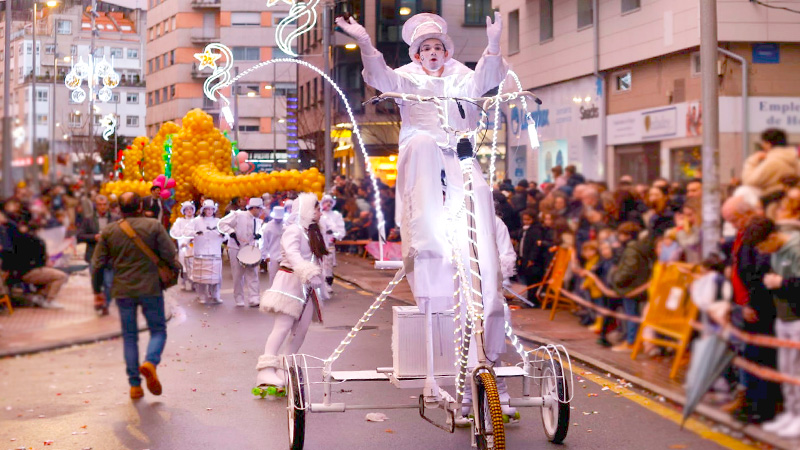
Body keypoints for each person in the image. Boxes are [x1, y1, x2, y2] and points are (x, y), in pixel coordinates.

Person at [338, 10, 512, 415]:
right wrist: (365, 43)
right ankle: (428, 242)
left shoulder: (462, 77)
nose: (432, 53)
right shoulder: (407, 79)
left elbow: (486, 80)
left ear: (446, 51)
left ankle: (487, 373)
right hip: (423, 162)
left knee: (479, 195)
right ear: (416, 55)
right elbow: (381, 79)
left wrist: (493, 44)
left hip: (460, 159)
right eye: (425, 48)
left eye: (438, 47)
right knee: (423, 146)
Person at [91, 192, 180, 400]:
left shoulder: (109, 230)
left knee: (130, 336)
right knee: (158, 330)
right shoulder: (153, 226)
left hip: (123, 290)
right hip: (151, 288)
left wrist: (97, 291)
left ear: (119, 209)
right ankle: (150, 362)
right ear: (140, 206)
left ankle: (134, 385)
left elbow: (97, 265)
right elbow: (170, 254)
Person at [255, 193, 327, 391]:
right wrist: (307, 271)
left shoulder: (312, 232)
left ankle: (284, 368)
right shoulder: (293, 230)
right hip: (289, 284)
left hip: (307, 288)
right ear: (307, 210)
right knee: (283, 327)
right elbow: (292, 253)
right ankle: (266, 370)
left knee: (300, 331)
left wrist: (314, 275)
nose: (320, 213)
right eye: (317, 209)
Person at [720, 194, 781, 424]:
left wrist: (750, 304)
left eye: (735, 220)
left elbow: (757, 273)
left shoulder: (759, 232)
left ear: (748, 213)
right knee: (747, 354)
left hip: (758, 307)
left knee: (759, 357)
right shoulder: (745, 233)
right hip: (744, 303)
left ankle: (761, 408)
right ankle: (749, 402)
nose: (734, 225)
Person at [742, 216, 800, 437]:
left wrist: (781, 283)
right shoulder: (776, 251)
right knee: (786, 370)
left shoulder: (795, 249)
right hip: (783, 317)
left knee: (796, 371)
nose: (761, 252)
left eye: (761, 246)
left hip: (796, 318)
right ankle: (792, 413)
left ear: (773, 237)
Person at [610, 221, 655, 353]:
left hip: (630, 286)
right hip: (638, 284)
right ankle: (634, 340)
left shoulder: (631, 250)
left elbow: (629, 269)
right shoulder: (640, 247)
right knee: (634, 313)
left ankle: (631, 341)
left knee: (631, 314)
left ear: (628, 235)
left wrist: (617, 278)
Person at [2, 220, 67, 309]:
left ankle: (39, 297)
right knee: (61, 276)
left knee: (50, 275)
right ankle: (49, 301)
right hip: (28, 271)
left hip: (17, 272)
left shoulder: (11, 241)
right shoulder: (34, 240)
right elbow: (42, 260)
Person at [218, 197, 264, 307]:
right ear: (254, 208)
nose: (261, 211)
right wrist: (231, 232)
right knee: (238, 274)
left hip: (250, 249)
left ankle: (254, 298)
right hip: (236, 248)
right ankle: (239, 298)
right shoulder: (238, 215)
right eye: (259, 209)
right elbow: (222, 224)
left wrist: (258, 235)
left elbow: (258, 232)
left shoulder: (257, 220)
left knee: (252, 273)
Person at [77, 194, 118, 314]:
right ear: (96, 206)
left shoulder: (115, 218)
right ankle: (99, 301)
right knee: (97, 282)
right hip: (94, 256)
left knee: (109, 283)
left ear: (108, 205)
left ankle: (106, 304)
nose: (102, 207)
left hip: (110, 256)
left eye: (104, 204)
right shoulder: (88, 219)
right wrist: (94, 237)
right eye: (100, 205)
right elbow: (80, 235)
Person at [743, 128, 800, 198]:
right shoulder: (795, 159)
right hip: (791, 199)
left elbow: (749, 181)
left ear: (768, 144)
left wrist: (752, 161)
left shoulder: (772, 162)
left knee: (744, 191)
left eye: (763, 143)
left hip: (772, 199)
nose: (762, 146)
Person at [192, 200, 225, 304]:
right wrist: (196, 233)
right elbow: (186, 231)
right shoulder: (196, 221)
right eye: (207, 209)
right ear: (203, 210)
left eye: (211, 209)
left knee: (216, 277)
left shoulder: (218, 221)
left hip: (215, 251)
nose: (209, 211)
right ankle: (201, 295)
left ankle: (216, 295)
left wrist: (223, 235)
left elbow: (226, 234)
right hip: (201, 251)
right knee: (201, 278)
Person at [320, 195, 345, 292]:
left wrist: (334, 234)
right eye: (326, 202)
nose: (328, 204)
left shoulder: (336, 215)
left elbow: (341, 231)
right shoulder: (319, 214)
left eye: (330, 202)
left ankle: (328, 284)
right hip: (319, 243)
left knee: (328, 265)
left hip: (329, 243)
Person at [170, 201, 196, 291]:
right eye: (186, 209)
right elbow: (175, 232)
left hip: (194, 246)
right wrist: (183, 239)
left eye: (190, 209)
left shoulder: (197, 221)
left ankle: (194, 283)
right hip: (184, 246)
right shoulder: (179, 221)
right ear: (183, 211)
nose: (189, 211)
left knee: (194, 264)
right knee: (183, 264)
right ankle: (183, 282)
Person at [260, 205, 286, 289]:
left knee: (285, 279)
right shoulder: (268, 227)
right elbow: (264, 243)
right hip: (273, 257)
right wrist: (265, 255)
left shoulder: (287, 225)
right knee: (273, 279)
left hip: (285, 257)